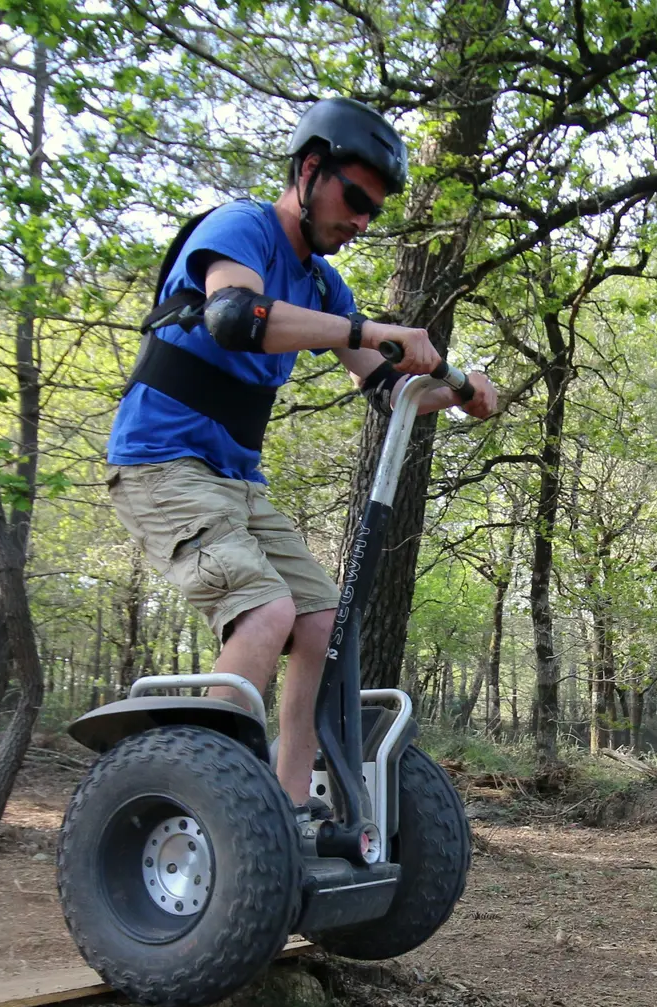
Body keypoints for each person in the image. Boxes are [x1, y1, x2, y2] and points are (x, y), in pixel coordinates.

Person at [104, 97, 498, 809]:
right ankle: (213, 803)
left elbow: (384, 386)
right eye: (352, 198)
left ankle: (284, 808)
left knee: (320, 622)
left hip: (234, 482)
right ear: (309, 169)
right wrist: (374, 327)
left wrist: (462, 391)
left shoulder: (320, 283)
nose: (359, 220)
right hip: (160, 464)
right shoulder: (241, 229)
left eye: (372, 211)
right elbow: (233, 317)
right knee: (265, 612)